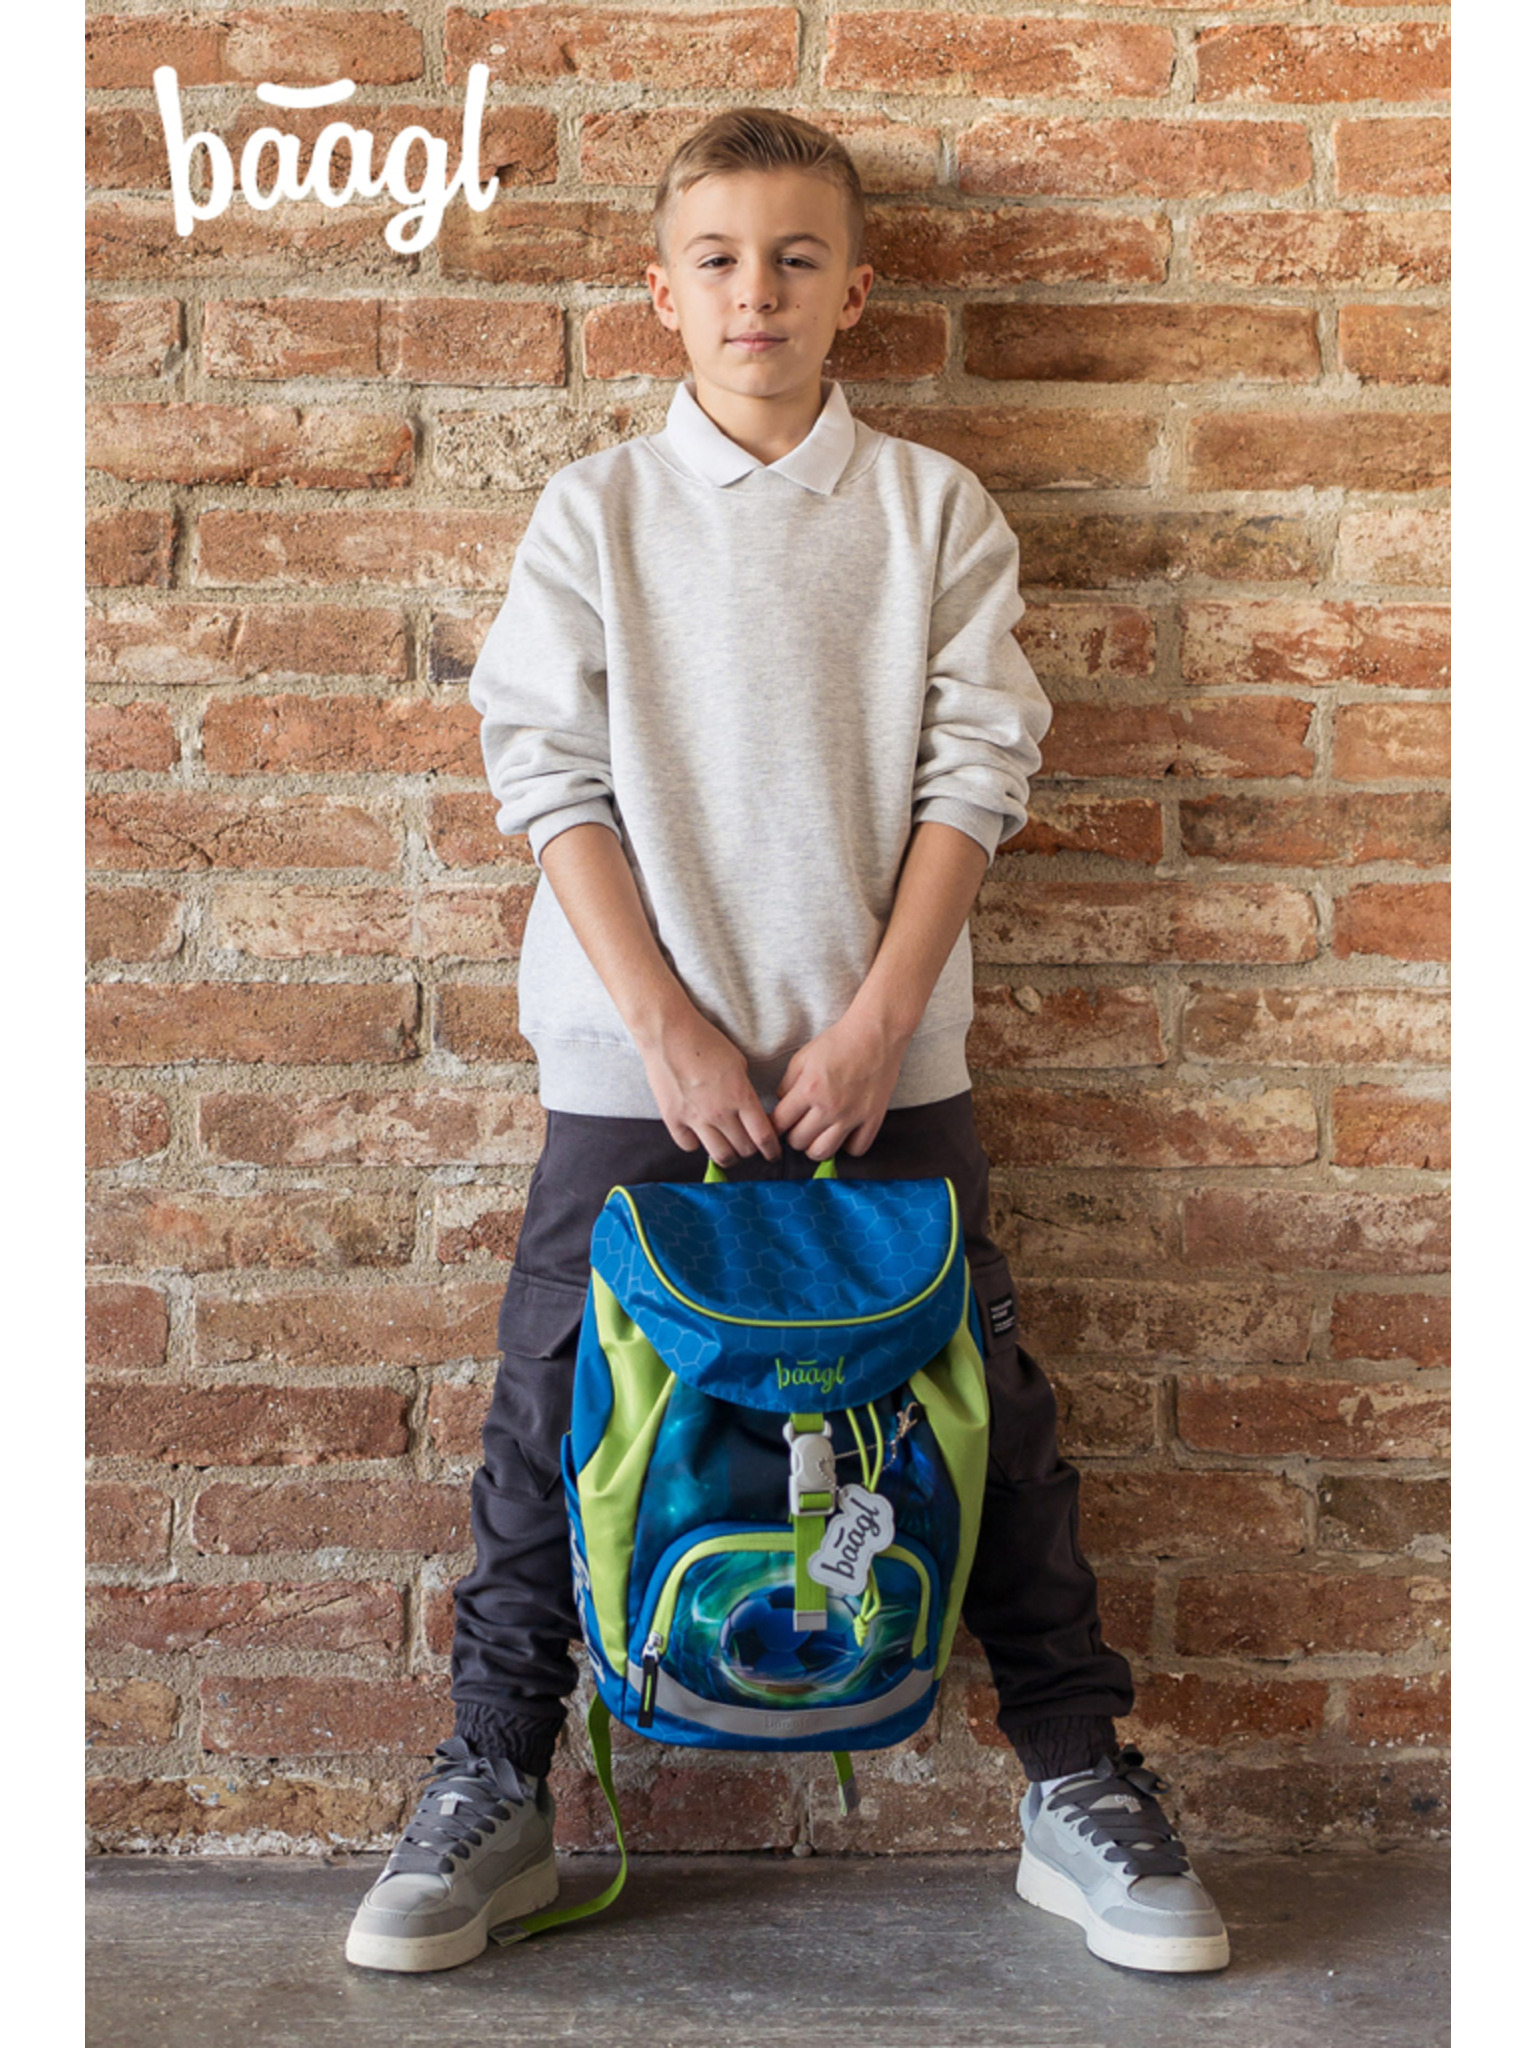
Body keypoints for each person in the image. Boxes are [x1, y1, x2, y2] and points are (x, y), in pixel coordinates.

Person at [345, 106, 1229, 1980]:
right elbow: (547, 777)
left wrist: (880, 1021)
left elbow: (977, 773)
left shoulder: (931, 512)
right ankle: (493, 1780)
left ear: (858, 292)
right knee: (553, 1413)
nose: (759, 292)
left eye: (798, 258)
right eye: (721, 259)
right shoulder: (594, 514)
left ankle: (1078, 1779)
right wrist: (666, 1031)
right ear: (661, 293)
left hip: (879, 1072)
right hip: (631, 1074)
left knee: (981, 1409)